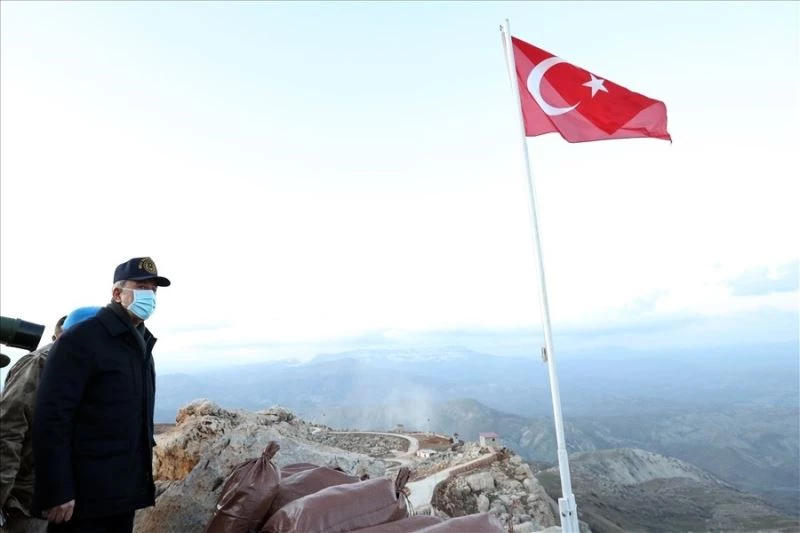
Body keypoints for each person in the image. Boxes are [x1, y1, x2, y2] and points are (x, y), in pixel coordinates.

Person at [32, 257, 171, 533]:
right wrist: (57, 489)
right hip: (83, 498)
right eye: (141, 287)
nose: (150, 296)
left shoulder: (140, 343)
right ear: (117, 293)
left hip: (122, 494)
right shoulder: (82, 339)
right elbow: (52, 418)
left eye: (153, 289)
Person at [0, 310, 98, 533]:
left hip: (84, 497)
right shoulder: (38, 364)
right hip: (33, 503)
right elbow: (9, 431)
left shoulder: (101, 365)